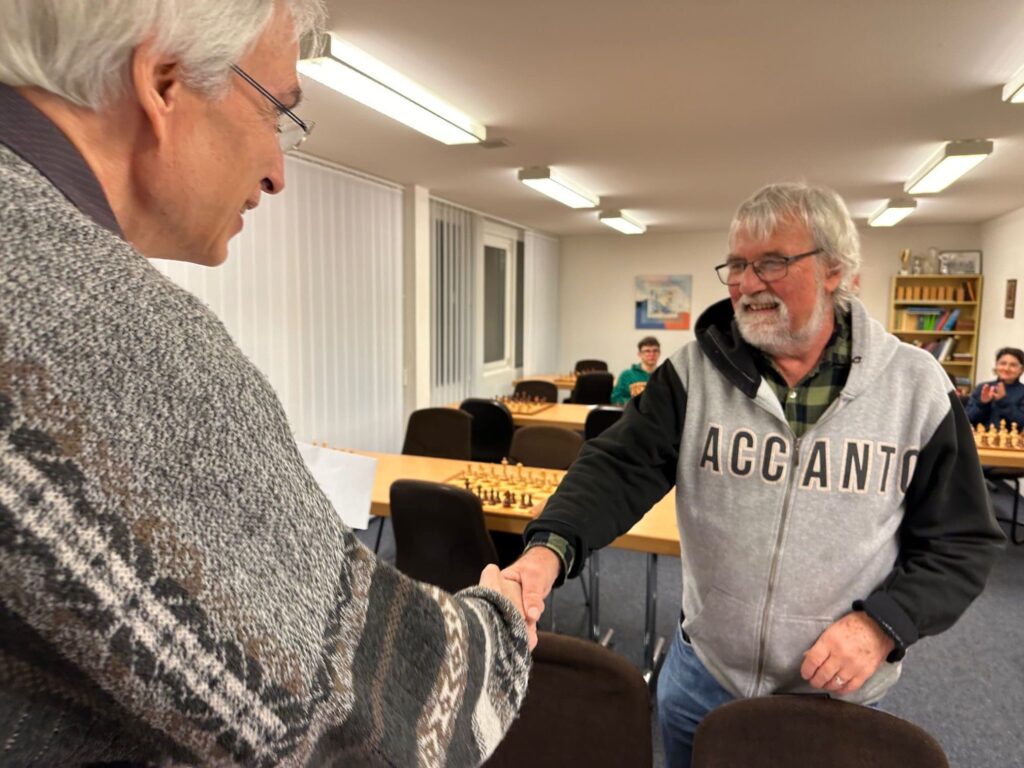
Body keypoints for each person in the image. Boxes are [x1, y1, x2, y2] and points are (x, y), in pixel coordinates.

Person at [0, 2, 533, 765]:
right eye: (278, 111)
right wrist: (503, 618)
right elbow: (383, 727)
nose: (280, 173)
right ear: (163, 81)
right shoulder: (101, 326)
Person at [504, 182, 1004, 767]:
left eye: (772, 262)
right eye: (737, 265)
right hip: (702, 677)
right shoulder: (692, 375)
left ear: (835, 270)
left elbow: (963, 541)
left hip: (835, 694)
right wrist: (547, 552)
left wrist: (884, 626)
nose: (747, 283)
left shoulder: (916, 389)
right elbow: (617, 466)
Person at [965, 347, 1024, 429]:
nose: (1006, 369)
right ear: (996, 366)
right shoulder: (983, 388)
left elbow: (1021, 422)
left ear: (1021, 369)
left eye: (1013, 365)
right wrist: (983, 404)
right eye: (1003, 363)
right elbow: (968, 419)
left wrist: (1003, 401)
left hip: (1011, 440)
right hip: (982, 439)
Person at [610, 336, 661, 405]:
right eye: (647, 351)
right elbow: (615, 399)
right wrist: (636, 403)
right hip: (633, 414)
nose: (652, 354)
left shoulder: (664, 375)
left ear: (659, 353)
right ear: (639, 354)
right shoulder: (626, 375)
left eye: (655, 351)